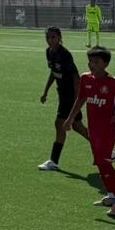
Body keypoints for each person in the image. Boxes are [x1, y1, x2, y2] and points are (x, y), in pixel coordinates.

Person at [67, 47, 115, 217]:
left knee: (104, 163)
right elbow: (81, 98)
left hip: (109, 128)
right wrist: (70, 119)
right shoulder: (85, 78)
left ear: (105, 64)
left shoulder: (114, 83)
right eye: (90, 61)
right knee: (100, 162)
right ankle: (111, 196)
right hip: (94, 128)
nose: (92, 64)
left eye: (96, 62)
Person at [36, 26, 88, 171]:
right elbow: (53, 72)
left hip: (70, 95)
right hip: (62, 94)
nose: (50, 40)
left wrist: (77, 97)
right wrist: (45, 91)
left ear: (59, 38)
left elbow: (76, 77)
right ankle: (106, 151)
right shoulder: (49, 52)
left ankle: (53, 161)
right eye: (48, 37)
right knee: (77, 127)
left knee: (59, 124)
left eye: (53, 37)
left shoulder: (65, 55)